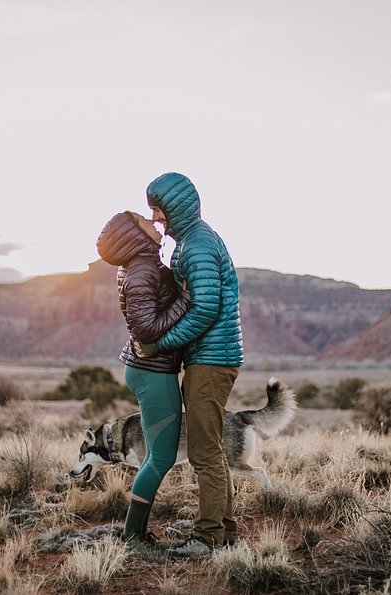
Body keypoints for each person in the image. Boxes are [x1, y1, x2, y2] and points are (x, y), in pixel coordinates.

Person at [137, 172, 244, 559]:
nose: (156, 218)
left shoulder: (197, 245)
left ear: (176, 206)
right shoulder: (193, 240)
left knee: (203, 453)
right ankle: (224, 533)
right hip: (210, 359)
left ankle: (208, 538)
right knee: (211, 448)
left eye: (159, 209)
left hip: (212, 361)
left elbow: (204, 309)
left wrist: (160, 343)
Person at [96, 210, 190, 554]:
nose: (154, 222)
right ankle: (133, 535)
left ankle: (134, 533)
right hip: (153, 371)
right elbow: (146, 330)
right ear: (132, 235)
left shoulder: (143, 264)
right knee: (161, 458)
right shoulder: (141, 270)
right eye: (142, 220)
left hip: (152, 368)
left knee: (159, 454)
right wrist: (186, 300)